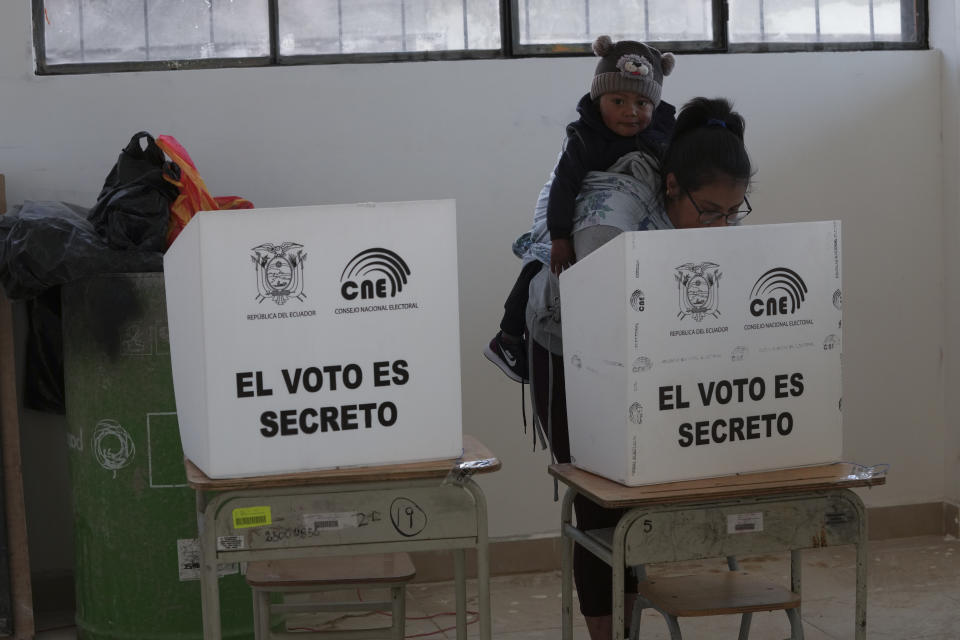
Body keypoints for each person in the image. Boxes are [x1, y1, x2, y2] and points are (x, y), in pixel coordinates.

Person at [525, 97, 754, 640]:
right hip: (568, 345)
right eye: (711, 213)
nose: (721, 227)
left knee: (638, 499)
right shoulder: (612, 207)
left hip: (640, 344)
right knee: (603, 500)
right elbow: (599, 310)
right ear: (671, 186)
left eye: (734, 213)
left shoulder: (691, 202)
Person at [484, 35, 676, 383]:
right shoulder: (583, 136)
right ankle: (508, 337)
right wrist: (559, 237)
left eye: (642, 103)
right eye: (618, 100)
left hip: (628, 205)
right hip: (567, 202)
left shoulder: (662, 133)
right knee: (541, 257)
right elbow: (564, 185)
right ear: (598, 98)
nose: (631, 112)